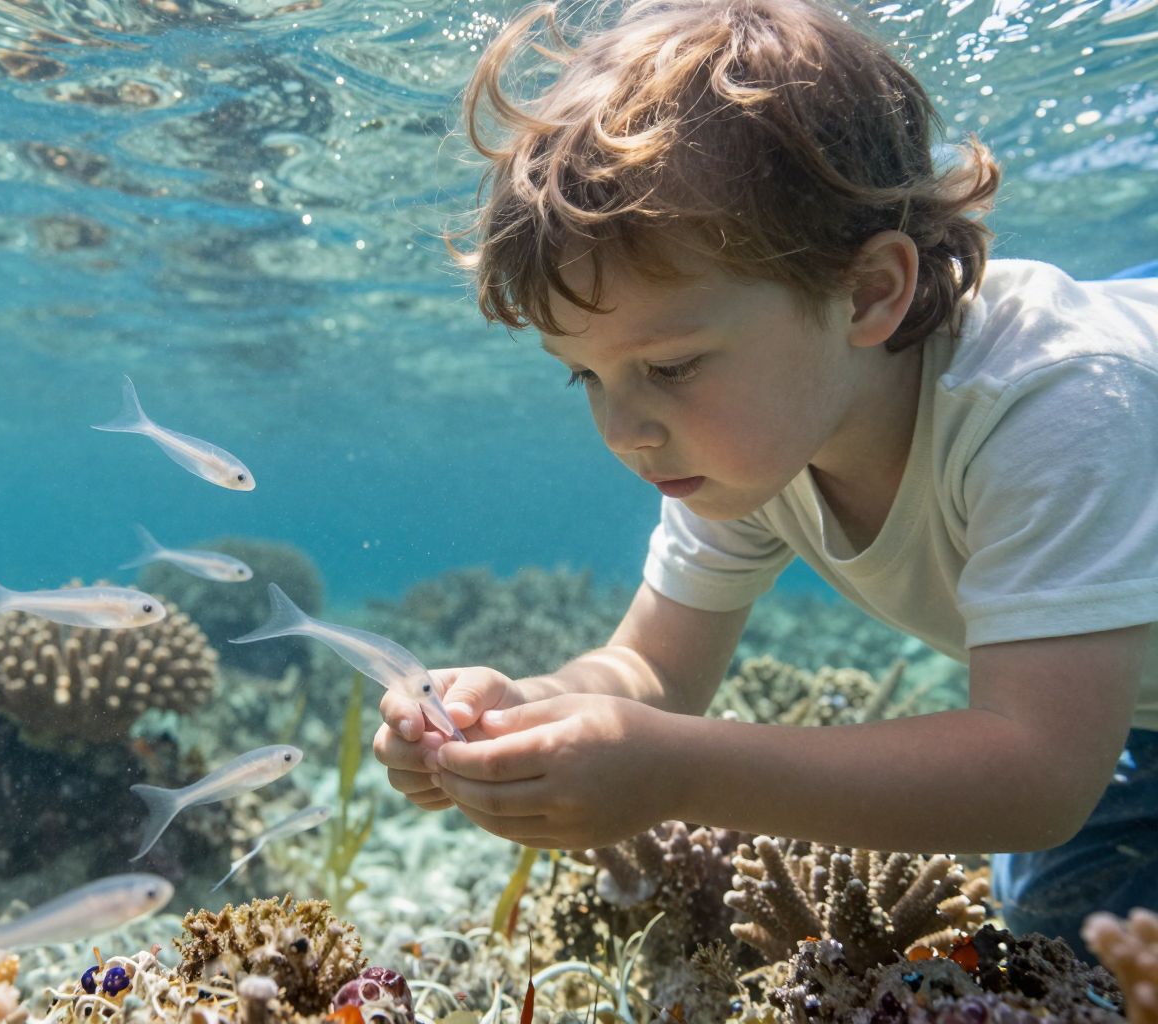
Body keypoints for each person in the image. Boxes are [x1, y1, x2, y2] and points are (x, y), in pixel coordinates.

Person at [373, 0, 1158, 959]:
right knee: (1070, 937)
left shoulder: (1056, 404)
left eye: (668, 367)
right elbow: (653, 674)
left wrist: (675, 774)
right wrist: (522, 711)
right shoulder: (762, 442)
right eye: (587, 374)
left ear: (870, 292)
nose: (621, 430)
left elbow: (1038, 773)